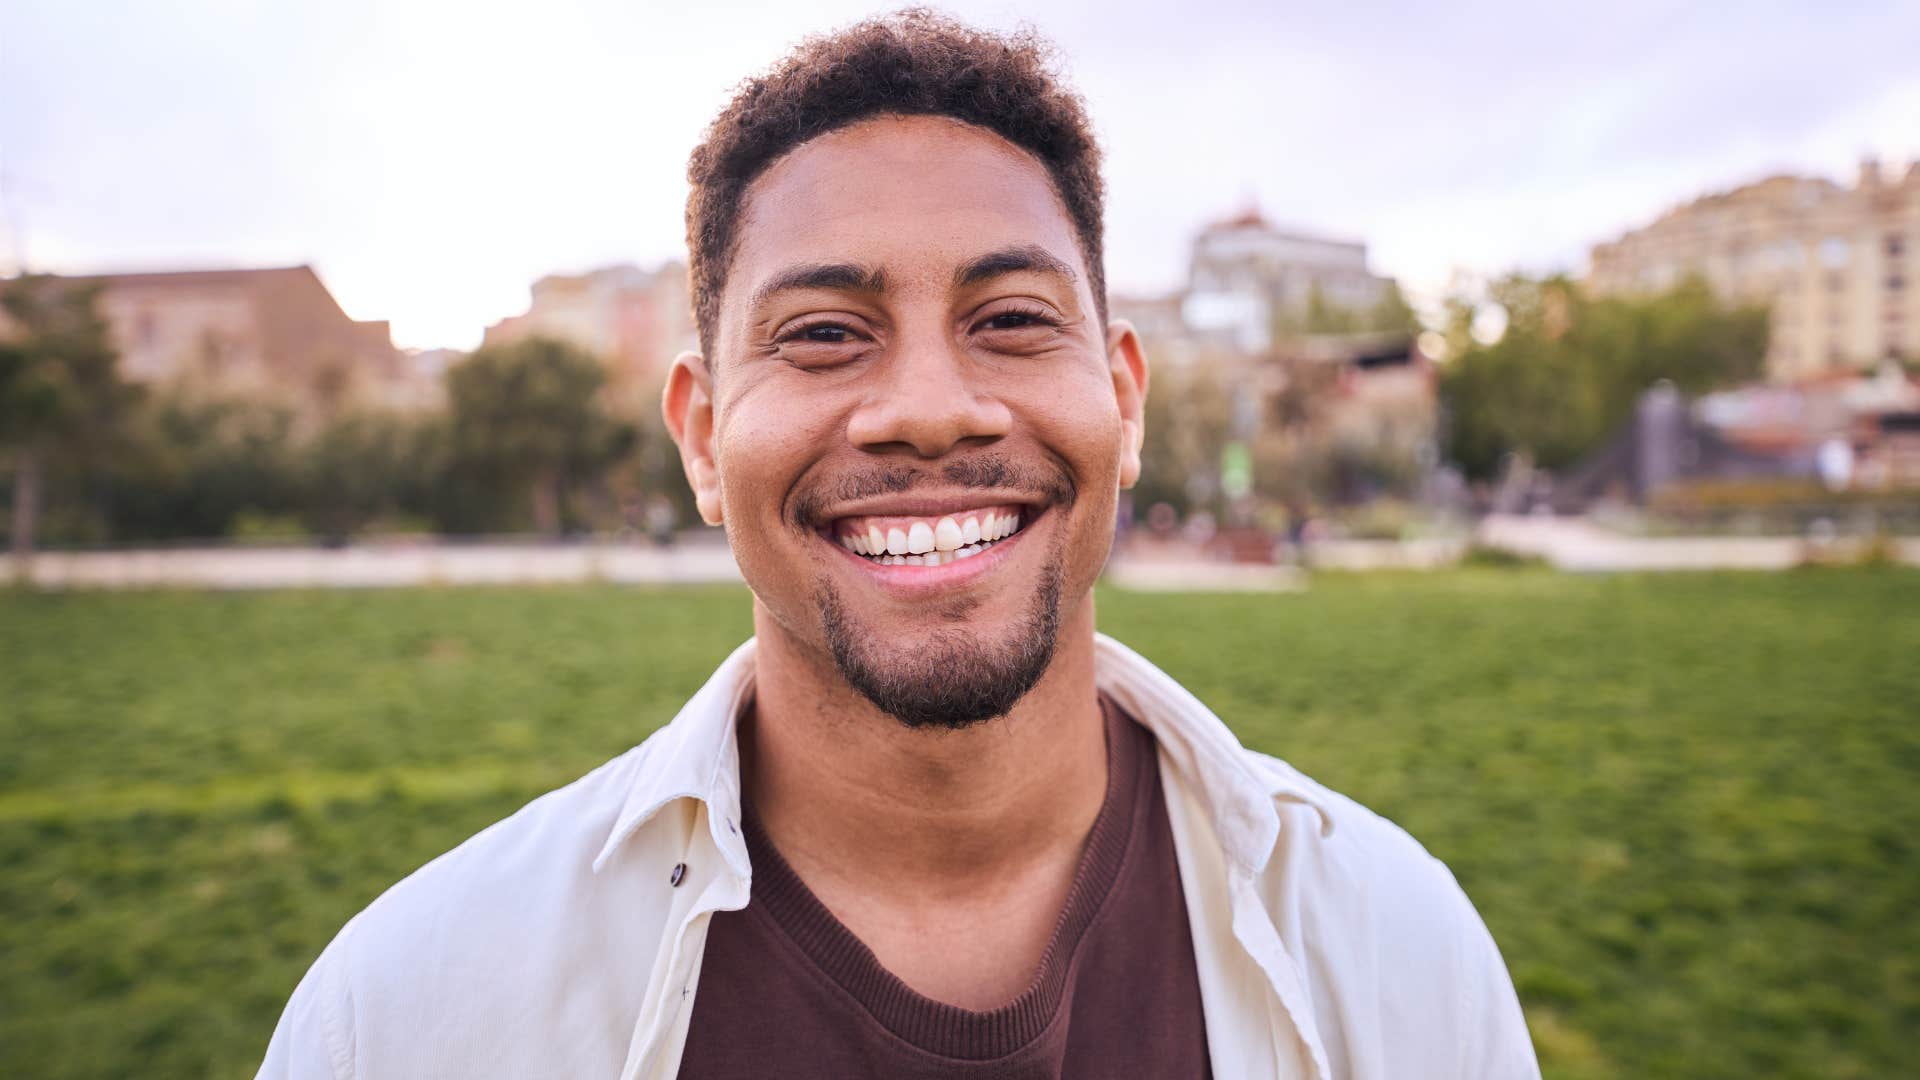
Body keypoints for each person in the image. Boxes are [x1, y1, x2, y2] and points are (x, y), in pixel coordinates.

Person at [260, 11, 1539, 1078]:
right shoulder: (409, 1018)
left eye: (1012, 318)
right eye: (823, 333)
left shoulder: (1393, 952)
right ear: (704, 439)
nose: (930, 406)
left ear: (1126, 400)